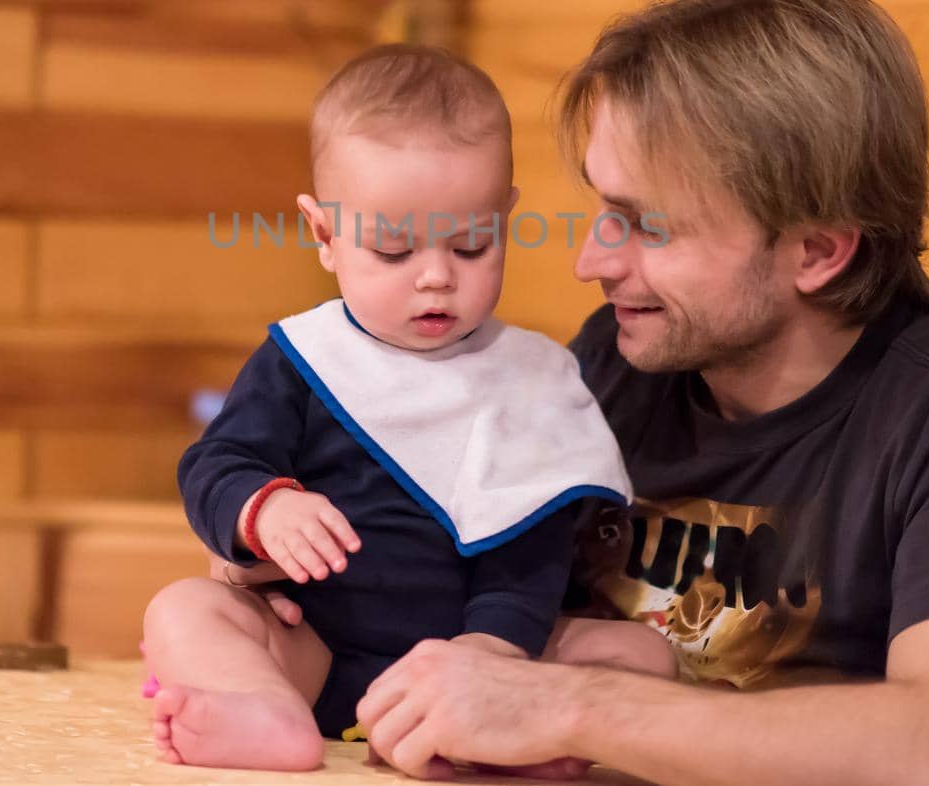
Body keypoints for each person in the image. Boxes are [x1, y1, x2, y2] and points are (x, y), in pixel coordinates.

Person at [354, 0, 929, 785]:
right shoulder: (618, 367)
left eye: (646, 223)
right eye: (602, 209)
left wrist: (571, 705)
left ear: (818, 251)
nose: (592, 261)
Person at [143, 44, 658, 772]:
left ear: (505, 217)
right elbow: (217, 463)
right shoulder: (304, 358)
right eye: (392, 252)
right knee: (182, 610)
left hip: (483, 661)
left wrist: (491, 652)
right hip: (317, 648)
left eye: (473, 244)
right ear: (324, 235)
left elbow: (532, 547)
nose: (437, 279)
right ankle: (263, 711)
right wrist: (262, 512)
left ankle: (513, 744)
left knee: (638, 655)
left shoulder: (532, 378)